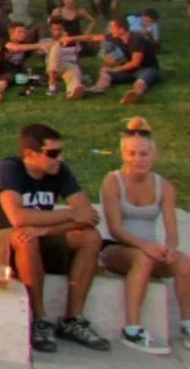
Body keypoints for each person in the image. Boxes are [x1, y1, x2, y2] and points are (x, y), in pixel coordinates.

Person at [0, 123, 110, 354]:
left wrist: (45, 230)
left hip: (38, 237)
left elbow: (88, 216)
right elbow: (17, 217)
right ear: (30, 154)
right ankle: (40, 319)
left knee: (90, 237)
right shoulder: (8, 170)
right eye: (53, 153)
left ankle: (72, 320)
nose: (60, 158)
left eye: (61, 151)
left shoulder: (60, 170)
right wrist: (68, 214)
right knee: (24, 237)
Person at [99, 118, 190, 354]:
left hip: (149, 249)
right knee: (144, 258)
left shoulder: (164, 186)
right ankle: (132, 329)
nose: (138, 159)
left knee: (183, 262)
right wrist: (146, 247)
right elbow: (116, 227)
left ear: (154, 155)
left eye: (143, 153)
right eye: (132, 153)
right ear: (123, 155)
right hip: (116, 249)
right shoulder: (113, 181)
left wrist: (170, 248)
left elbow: (171, 229)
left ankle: (187, 324)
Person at [75, 16, 161, 104]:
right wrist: (71, 38)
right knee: (106, 73)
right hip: (130, 70)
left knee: (140, 83)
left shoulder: (137, 39)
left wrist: (114, 69)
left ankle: (134, 94)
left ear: (121, 30)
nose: (111, 30)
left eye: (113, 28)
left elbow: (135, 63)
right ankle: (97, 89)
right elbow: (92, 38)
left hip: (148, 68)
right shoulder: (117, 37)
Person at [0, 22, 45, 103]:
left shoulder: (25, 43)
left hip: (13, 70)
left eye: (24, 32)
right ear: (12, 34)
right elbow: (16, 48)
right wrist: (39, 45)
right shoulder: (6, 41)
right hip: (1, 65)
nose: (23, 34)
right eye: (19, 32)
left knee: (4, 82)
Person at [44, 19, 86, 100]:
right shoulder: (46, 41)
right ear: (50, 30)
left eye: (59, 29)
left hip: (70, 65)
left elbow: (77, 57)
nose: (57, 32)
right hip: (55, 66)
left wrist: (80, 71)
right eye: (54, 29)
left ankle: (73, 92)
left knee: (74, 77)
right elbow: (48, 55)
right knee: (55, 47)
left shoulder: (74, 42)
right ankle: (52, 86)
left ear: (63, 29)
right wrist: (61, 42)